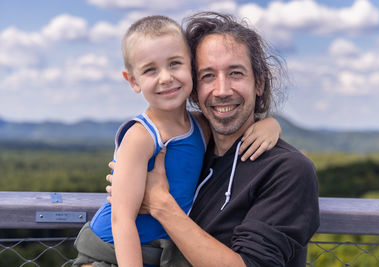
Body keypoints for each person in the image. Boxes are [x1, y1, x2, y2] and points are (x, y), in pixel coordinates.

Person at [107, 12, 320, 267]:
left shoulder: (288, 170)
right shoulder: (190, 150)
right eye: (208, 76)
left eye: (236, 73)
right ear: (195, 89)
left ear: (259, 83)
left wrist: (161, 204)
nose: (222, 90)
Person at [73, 15, 282, 267]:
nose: (165, 77)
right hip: (112, 253)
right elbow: (121, 220)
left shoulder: (200, 126)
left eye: (174, 64)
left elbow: (238, 121)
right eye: (150, 70)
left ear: (190, 67)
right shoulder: (141, 136)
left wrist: (271, 125)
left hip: (156, 252)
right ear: (133, 81)